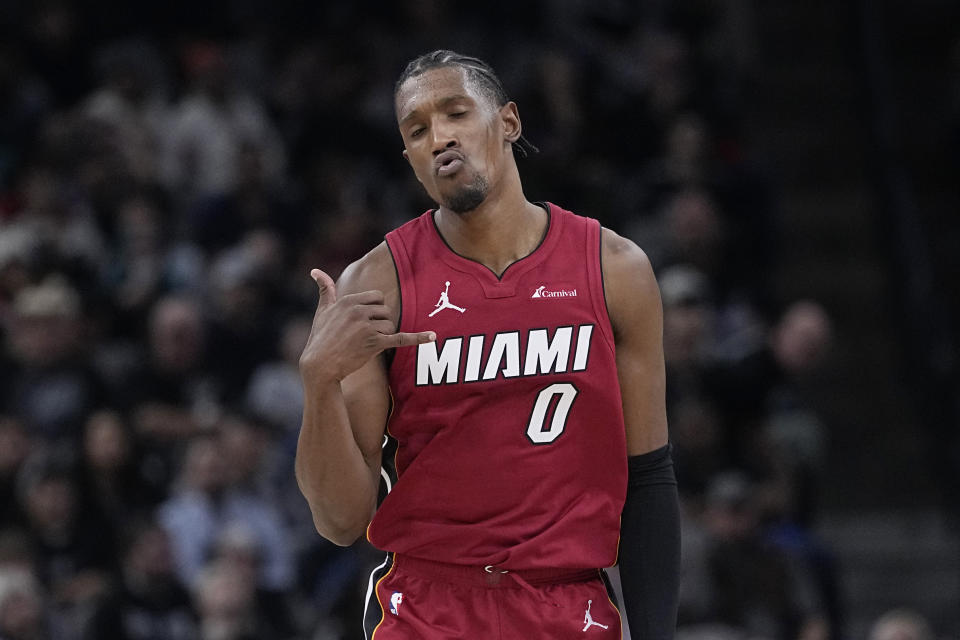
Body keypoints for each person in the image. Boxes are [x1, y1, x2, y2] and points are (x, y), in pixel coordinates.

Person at [296, 49, 680, 639]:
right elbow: (341, 521)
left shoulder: (614, 269)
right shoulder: (378, 284)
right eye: (418, 130)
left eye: (456, 114)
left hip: (565, 601)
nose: (440, 138)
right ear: (410, 159)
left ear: (508, 122)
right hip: (427, 607)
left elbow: (648, 477)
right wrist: (318, 381)